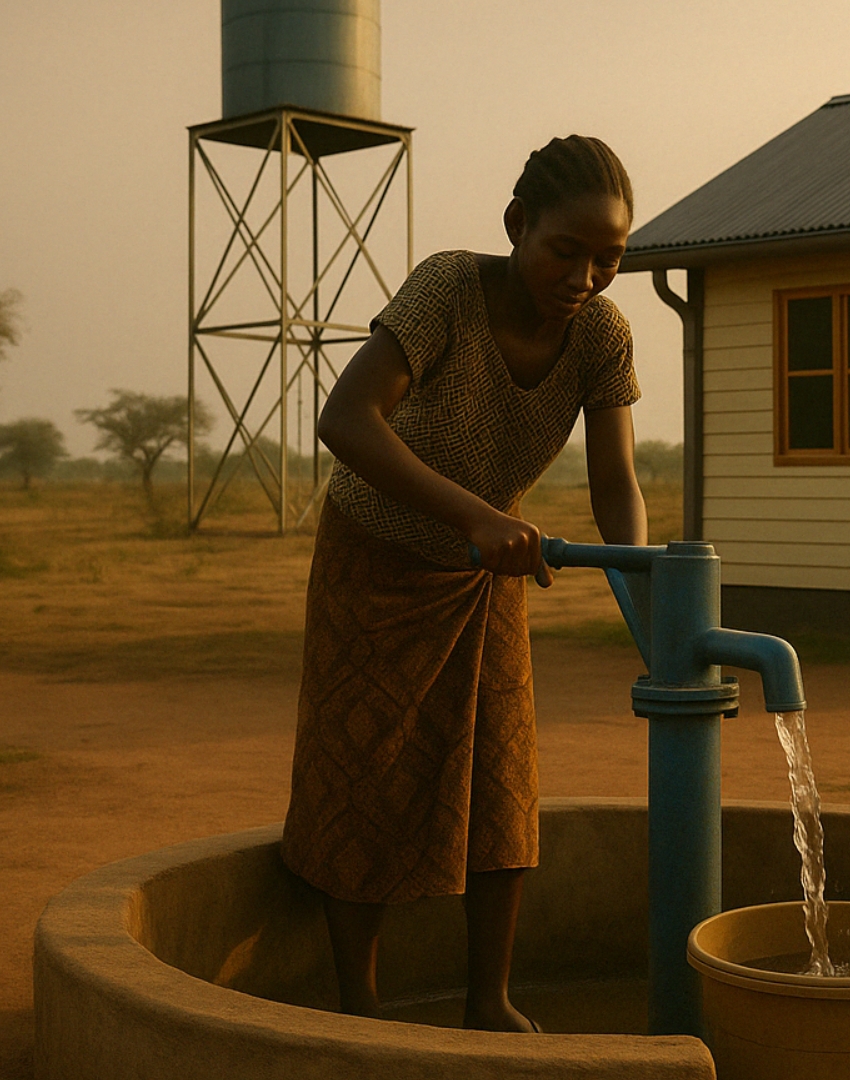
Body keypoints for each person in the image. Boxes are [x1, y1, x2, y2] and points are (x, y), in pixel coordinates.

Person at [279, 135, 647, 1031]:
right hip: (374, 561)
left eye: (609, 259)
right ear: (518, 226)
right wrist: (475, 516)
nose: (585, 277)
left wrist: (646, 586)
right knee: (361, 771)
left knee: (502, 776)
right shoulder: (447, 288)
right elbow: (347, 419)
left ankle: (490, 999)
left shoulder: (600, 334)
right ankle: (359, 1003)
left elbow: (615, 485)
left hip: (486, 579)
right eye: (567, 250)